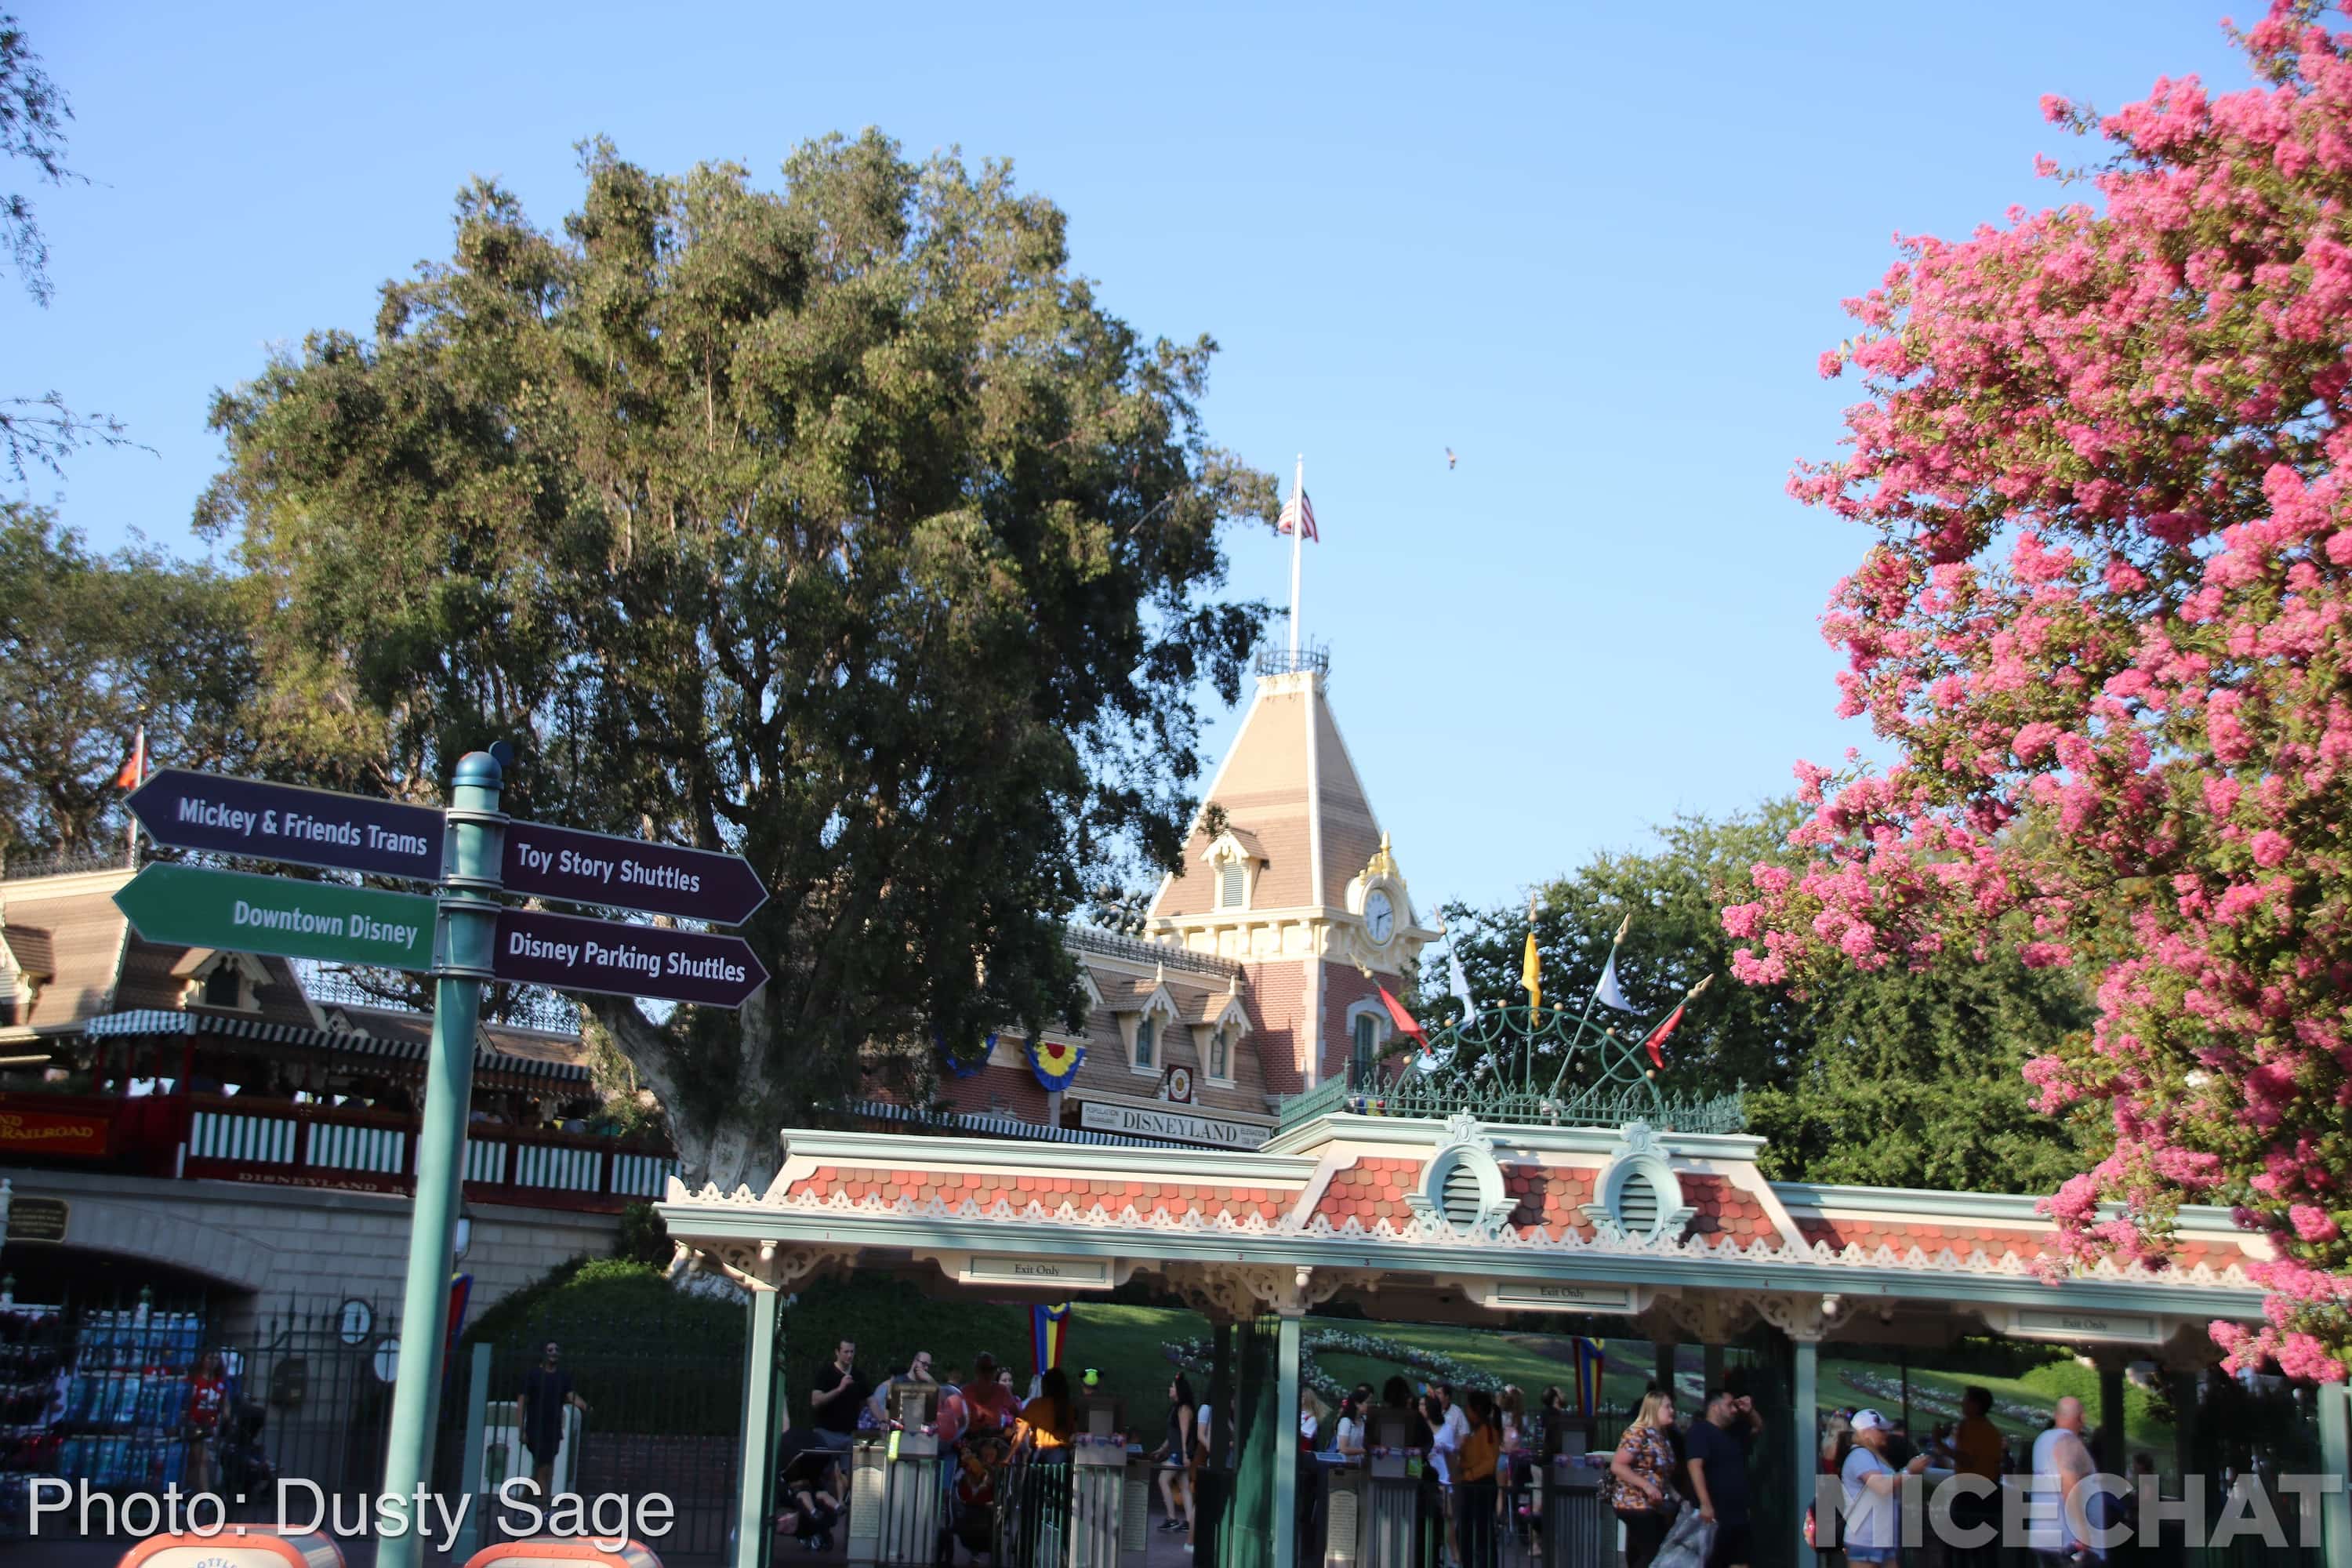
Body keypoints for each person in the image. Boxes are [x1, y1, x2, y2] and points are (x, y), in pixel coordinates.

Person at [1841, 1408, 1929, 1566]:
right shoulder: (1860, 1455)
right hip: (1865, 1541)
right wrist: (1910, 1470)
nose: (1886, 1434)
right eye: (1881, 1430)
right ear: (1866, 1432)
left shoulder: (1874, 1456)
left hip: (1882, 1538)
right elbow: (1881, 1487)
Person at [1685, 1388, 1762, 1568]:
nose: (1734, 1410)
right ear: (1715, 1407)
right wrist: (1705, 1503)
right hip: (1715, 1516)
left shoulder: (1735, 1432)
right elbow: (1695, 1466)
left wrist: (1749, 1410)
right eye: (1729, 1405)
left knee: (1742, 1562)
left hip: (1738, 1514)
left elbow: (1758, 1426)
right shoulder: (1701, 1431)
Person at [1606, 1389, 1682, 1568]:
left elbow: (1661, 1473)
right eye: (1668, 1407)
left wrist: (1677, 1496)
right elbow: (1618, 1465)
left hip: (1654, 1504)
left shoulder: (1661, 1435)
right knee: (1654, 1552)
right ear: (1654, 1409)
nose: (1673, 1410)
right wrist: (1647, 1487)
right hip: (1634, 1502)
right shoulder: (1637, 1433)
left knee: (1656, 1550)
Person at [2028, 1397, 2096, 1568]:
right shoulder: (2067, 1441)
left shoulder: (2043, 1440)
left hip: (2044, 1535)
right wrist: (2082, 1532)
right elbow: (2069, 1484)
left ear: (2056, 1415)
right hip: (2068, 1541)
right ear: (2082, 1418)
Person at [516, 1341, 590, 1495]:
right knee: (544, 1470)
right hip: (536, 1428)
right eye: (550, 1349)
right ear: (543, 1353)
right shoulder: (533, 1375)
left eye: (557, 1349)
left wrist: (585, 1406)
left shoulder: (563, 1376)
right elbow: (522, 1403)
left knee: (542, 1470)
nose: (554, 1352)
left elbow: (571, 1396)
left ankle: (521, 1506)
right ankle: (545, 1510)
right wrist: (521, 1429)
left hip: (554, 1429)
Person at [1949, 1387, 2005, 1568]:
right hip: (1981, 1490)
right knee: (1982, 1549)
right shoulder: (1979, 1428)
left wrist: (1940, 1445)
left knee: (1967, 1547)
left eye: (1966, 1400)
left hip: (1974, 1493)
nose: (1962, 1403)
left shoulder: (1975, 1428)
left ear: (1976, 1405)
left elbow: (1967, 1459)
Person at [1457, 1389, 1504, 1568]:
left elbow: (1490, 1463)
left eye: (1468, 1408)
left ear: (1475, 1409)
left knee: (1482, 1533)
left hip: (1481, 1486)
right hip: (1470, 1485)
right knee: (1465, 1532)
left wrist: (1469, 1474)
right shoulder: (1473, 1432)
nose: (1466, 1412)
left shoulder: (1489, 1432)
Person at [1153, 1376, 1198, 1532]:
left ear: (1179, 1390)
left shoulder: (1184, 1409)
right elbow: (1174, 1433)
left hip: (1179, 1453)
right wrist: (1162, 1449)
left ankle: (1172, 1518)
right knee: (1184, 1486)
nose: (1170, 1389)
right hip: (1177, 1452)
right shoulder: (1176, 1408)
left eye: (1172, 1387)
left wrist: (1185, 1455)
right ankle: (1189, 1522)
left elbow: (1184, 1434)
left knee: (1163, 1480)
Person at [809, 1339, 869, 1444]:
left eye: (852, 1352)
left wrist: (883, 1421)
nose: (850, 1355)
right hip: (827, 1434)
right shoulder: (826, 1373)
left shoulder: (859, 1375)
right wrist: (839, 1389)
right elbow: (815, 1402)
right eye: (846, 1352)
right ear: (837, 1352)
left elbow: (870, 1400)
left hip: (851, 1435)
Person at [184, 1349, 227, 1493]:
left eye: (216, 1358)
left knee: (193, 1460)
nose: (213, 1361)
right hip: (194, 1423)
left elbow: (225, 1404)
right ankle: (206, 1494)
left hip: (210, 1424)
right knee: (202, 1458)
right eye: (210, 1357)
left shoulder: (219, 1382)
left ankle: (188, 1488)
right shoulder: (193, 1380)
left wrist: (227, 1418)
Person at [869, 1349, 938, 1425]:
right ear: (915, 1361)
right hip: (901, 1429)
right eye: (924, 1364)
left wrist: (931, 1380)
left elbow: (943, 1402)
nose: (926, 1368)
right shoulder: (899, 1381)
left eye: (929, 1366)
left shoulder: (928, 1383)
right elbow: (889, 1411)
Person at [1016, 1367, 1075, 1454]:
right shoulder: (1067, 1407)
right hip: (1060, 1454)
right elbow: (1072, 1432)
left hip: (1038, 1452)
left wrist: (1007, 1458)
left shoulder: (1035, 1405)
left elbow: (1021, 1433)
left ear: (1044, 1385)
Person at [1334, 1390, 1367, 1457]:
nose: (1369, 1405)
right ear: (1357, 1404)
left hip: (1359, 1463)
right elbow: (1343, 1449)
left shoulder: (1363, 1421)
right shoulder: (1346, 1422)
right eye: (1367, 1402)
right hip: (1345, 1464)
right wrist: (1365, 1451)